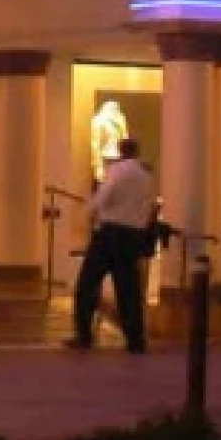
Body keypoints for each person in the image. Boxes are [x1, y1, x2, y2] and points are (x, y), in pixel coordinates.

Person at [68, 136, 155, 353]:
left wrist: (87, 212)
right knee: (128, 289)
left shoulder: (117, 171)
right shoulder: (146, 176)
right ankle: (135, 339)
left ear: (120, 151)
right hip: (133, 235)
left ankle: (84, 335)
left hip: (110, 233)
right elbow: (149, 206)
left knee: (87, 283)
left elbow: (103, 197)